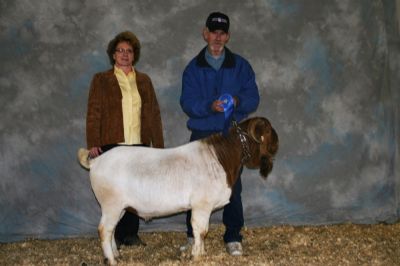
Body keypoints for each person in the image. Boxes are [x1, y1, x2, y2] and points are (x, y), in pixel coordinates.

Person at [179, 12, 260, 256]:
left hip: (232, 136)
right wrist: (208, 106)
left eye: (222, 33)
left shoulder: (241, 66)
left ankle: (233, 236)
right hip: (202, 135)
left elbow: (253, 98)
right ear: (205, 34)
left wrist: (237, 100)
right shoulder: (193, 68)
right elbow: (187, 102)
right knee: (194, 186)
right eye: (213, 32)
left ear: (228, 36)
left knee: (232, 186)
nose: (217, 37)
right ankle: (193, 236)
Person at [85, 31, 164, 247]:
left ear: (134, 55)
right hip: (112, 144)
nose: (124, 54)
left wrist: (159, 148)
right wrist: (93, 142)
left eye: (129, 51)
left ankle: (130, 234)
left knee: (135, 189)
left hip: (139, 144)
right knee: (115, 190)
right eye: (120, 50)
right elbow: (94, 113)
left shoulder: (144, 80)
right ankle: (112, 234)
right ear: (113, 54)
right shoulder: (101, 80)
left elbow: (154, 114)